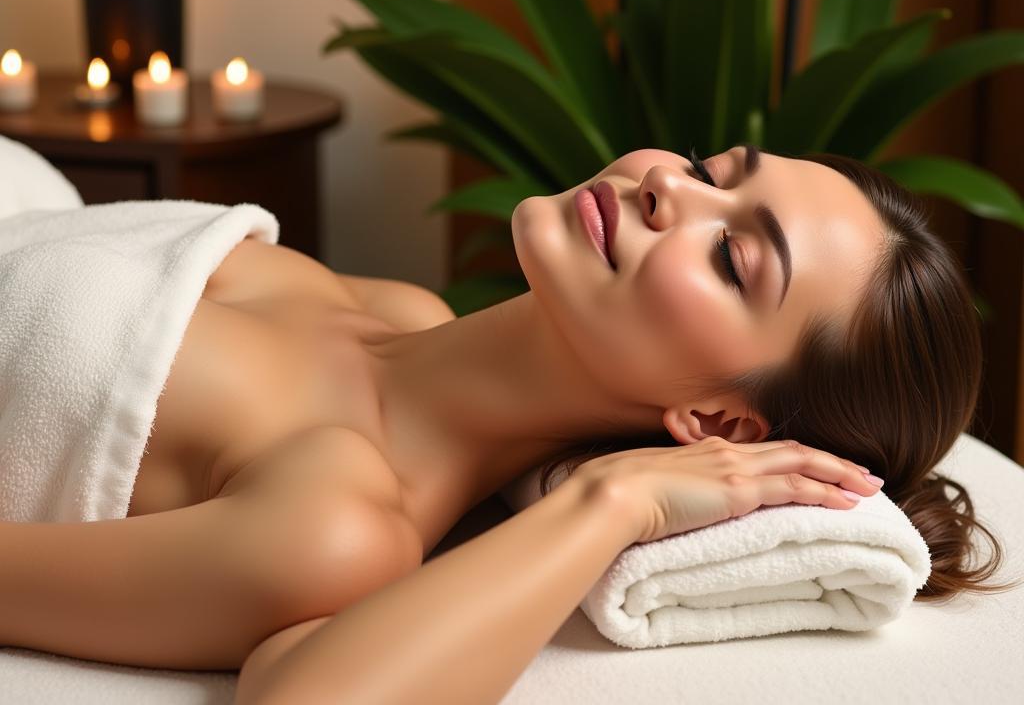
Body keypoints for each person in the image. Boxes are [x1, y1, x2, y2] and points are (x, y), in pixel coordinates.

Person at [0, 144, 1016, 704]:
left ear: (712, 419)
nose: (669, 186)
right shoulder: (402, 310)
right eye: (714, 170)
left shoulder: (336, 520)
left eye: (730, 259)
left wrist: (612, 501)